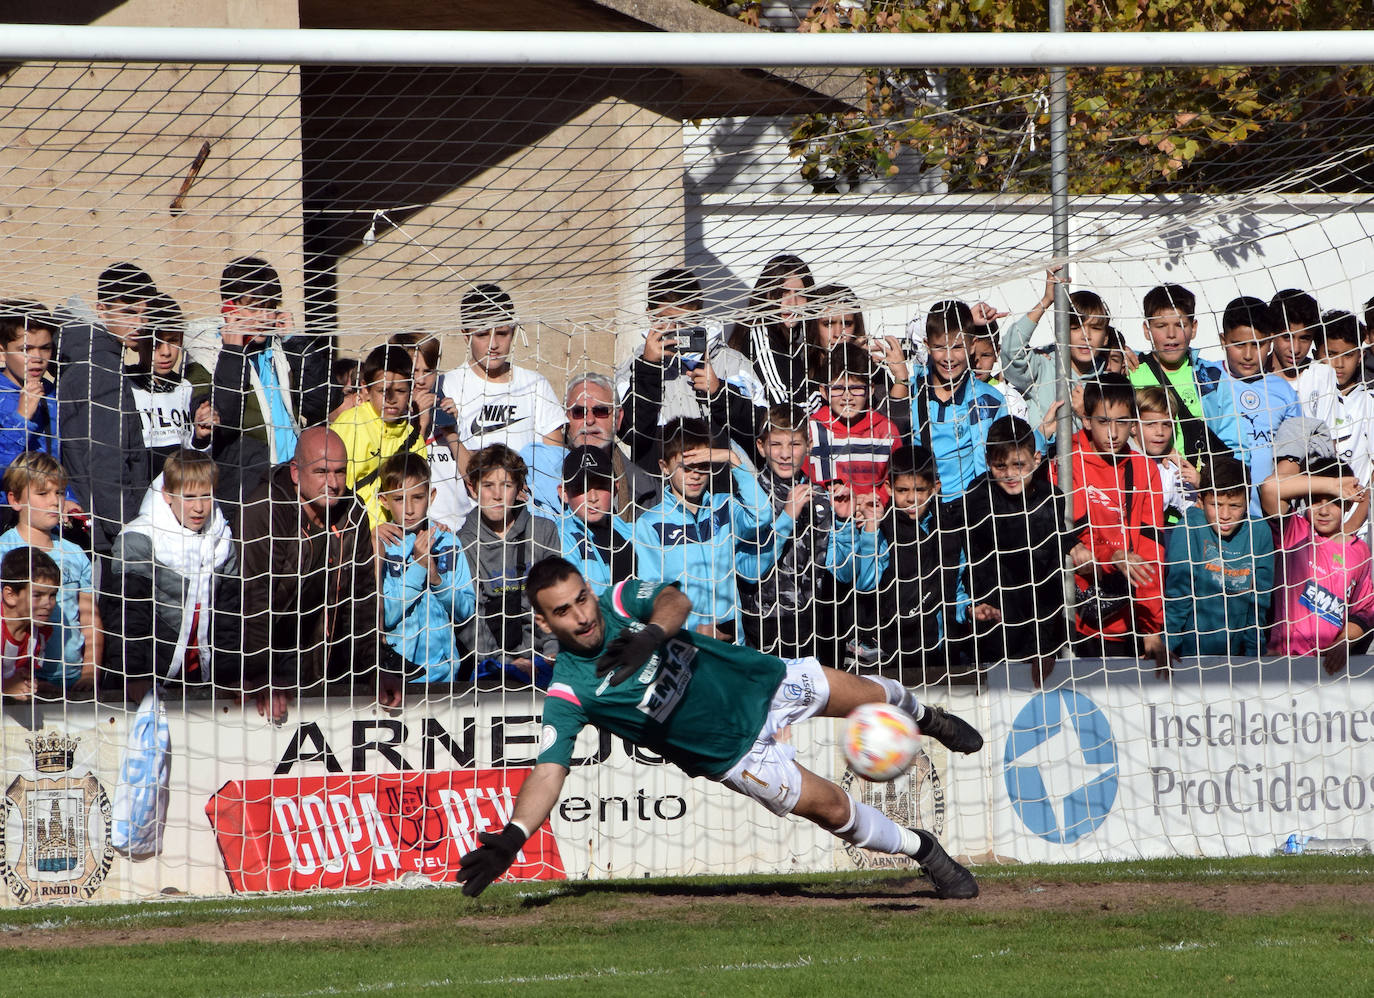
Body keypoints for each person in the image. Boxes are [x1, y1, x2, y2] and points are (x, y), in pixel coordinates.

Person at [454, 557, 984, 900]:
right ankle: (926, 851)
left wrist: (650, 636)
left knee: (869, 694)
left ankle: (925, 717)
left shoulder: (618, 601)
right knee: (833, 809)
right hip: (735, 755)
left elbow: (676, 601)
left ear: (591, 592)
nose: (582, 616)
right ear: (544, 623)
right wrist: (513, 838)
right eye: (563, 612)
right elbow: (549, 771)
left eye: (582, 600)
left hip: (757, 681)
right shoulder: (569, 693)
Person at [238, 426, 400, 723]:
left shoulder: (353, 513)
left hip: (327, 663)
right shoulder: (265, 510)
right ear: (296, 472)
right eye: (322, 472)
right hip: (265, 658)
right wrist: (260, 671)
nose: (334, 483)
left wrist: (375, 668)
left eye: (340, 472)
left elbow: (362, 598)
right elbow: (253, 598)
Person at [186, 256, 332, 515]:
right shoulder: (207, 352)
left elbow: (320, 404)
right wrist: (232, 350)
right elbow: (223, 418)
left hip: (294, 481)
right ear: (229, 308)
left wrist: (296, 342)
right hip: (249, 490)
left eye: (270, 306)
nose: (265, 316)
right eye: (254, 308)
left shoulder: (280, 347)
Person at [102, 448, 240, 699]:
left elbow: (229, 615)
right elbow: (128, 615)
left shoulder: (223, 538)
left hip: (203, 680)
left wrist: (229, 677)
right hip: (150, 677)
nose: (199, 507)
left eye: (206, 496)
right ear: (167, 495)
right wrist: (134, 675)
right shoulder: (139, 539)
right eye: (188, 497)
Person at [1053, 375, 1168, 673]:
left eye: (1122, 422)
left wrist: (1152, 627)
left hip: (1126, 616)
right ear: (1087, 420)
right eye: (1104, 422)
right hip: (1072, 616)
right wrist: (1112, 556)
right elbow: (1073, 538)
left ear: (1133, 423)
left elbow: (1150, 551)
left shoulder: (1145, 470)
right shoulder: (1068, 462)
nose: (1114, 433)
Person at [947, 417, 1072, 688]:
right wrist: (1067, 541)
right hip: (989, 626)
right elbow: (1010, 535)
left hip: (1037, 630)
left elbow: (1051, 577)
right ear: (988, 460)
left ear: (1037, 459)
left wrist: (1047, 642)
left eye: (1019, 465)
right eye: (1000, 466)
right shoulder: (978, 496)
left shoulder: (1052, 499)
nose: (1010, 474)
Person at [633, 417, 773, 641]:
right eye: (687, 467)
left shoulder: (723, 507)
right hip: (685, 643)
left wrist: (731, 459)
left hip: (731, 639)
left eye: (703, 465)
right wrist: (689, 630)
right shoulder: (651, 524)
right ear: (664, 467)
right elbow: (653, 593)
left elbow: (762, 515)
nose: (696, 474)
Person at [56, 261, 157, 560]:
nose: (140, 323)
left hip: (96, 523)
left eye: (145, 313)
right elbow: (105, 459)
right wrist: (128, 527)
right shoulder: (100, 365)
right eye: (129, 312)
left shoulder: (96, 357)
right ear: (102, 310)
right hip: (106, 532)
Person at [618, 267, 767, 466]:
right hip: (661, 491)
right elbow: (630, 434)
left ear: (699, 315)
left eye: (686, 321)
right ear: (650, 316)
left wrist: (719, 393)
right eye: (668, 321)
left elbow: (763, 432)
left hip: (725, 490)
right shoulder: (630, 370)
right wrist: (649, 368)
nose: (678, 331)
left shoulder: (733, 363)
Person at [857, 445, 968, 684]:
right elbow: (866, 583)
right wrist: (870, 530)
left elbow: (957, 583)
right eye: (903, 490)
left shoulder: (950, 527)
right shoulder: (883, 528)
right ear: (889, 488)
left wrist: (967, 610)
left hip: (945, 648)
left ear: (935, 488)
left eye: (920, 490)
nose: (911, 498)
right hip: (896, 650)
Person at [457, 444, 561, 687]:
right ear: (473, 489)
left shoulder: (543, 532)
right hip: (490, 664)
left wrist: (552, 652)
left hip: (544, 659)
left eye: (506, 485)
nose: (497, 495)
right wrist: (504, 661)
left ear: (519, 489)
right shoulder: (463, 541)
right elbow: (469, 615)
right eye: (488, 485)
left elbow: (555, 598)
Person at [1260, 455, 1374, 674]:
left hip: (1326, 668)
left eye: (1333, 502)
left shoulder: (1360, 551)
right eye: (1317, 500)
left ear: (1348, 503)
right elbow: (1269, 488)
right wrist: (1333, 486)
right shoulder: (1294, 530)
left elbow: (1364, 610)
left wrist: (1343, 642)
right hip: (1281, 661)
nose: (1323, 510)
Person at [0, 453, 99, 692]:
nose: (55, 501)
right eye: (43, 494)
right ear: (14, 499)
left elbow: (90, 620)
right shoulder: (4, 550)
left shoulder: (75, 552)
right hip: (18, 680)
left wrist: (89, 673)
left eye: (60, 493)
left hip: (72, 678)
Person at [376, 452, 476, 684]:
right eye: (399, 499)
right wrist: (419, 568)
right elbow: (386, 615)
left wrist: (436, 579)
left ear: (431, 496)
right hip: (397, 677)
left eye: (417, 497)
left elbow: (466, 612)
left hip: (444, 676)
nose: (409, 509)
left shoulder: (447, 541)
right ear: (384, 500)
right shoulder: (379, 546)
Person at [1163, 456, 1274, 660]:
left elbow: (1259, 604)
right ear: (1202, 500)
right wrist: (1167, 645)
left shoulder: (1259, 531)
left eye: (1234, 506)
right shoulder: (1189, 526)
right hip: (1188, 655)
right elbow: (1178, 595)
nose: (1224, 514)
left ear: (1248, 502)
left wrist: (1253, 655)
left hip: (1236, 657)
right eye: (1216, 504)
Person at [438, 283, 565, 455]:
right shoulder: (447, 385)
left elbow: (555, 458)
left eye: (501, 333)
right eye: (482, 334)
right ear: (466, 336)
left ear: (512, 332)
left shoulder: (535, 384)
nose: (493, 345)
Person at [912, 300, 1017, 498]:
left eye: (958, 347)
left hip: (973, 507)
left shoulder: (990, 399)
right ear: (927, 346)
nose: (949, 357)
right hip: (922, 508)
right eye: (940, 347)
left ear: (972, 346)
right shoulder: (913, 392)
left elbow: (1009, 453)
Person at [520, 372, 660, 521]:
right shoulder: (533, 475)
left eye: (601, 411)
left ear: (618, 418)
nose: (590, 420)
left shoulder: (647, 490)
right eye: (579, 412)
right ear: (565, 419)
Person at [1127, 283, 1240, 466]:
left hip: (1201, 486)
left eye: (1180, 325)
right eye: (1161, 325)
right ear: (1147, 330)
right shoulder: (1131, 371)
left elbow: (1234, 443)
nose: (1171, 334)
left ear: (1193, 328)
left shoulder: (1211, 378)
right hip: (1146, 481)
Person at [1215, 296, 1299, 516]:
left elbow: (1296, 452)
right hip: (1215, 512)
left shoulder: (1284, 392)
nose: (1248, 355)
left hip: (1264, 516)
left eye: (1258, 344)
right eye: (1239, 344)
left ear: (1270, 341)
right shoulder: (1206, 379)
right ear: (1223, 340)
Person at [999, 266, 1107, 434]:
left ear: (1106, 337)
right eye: (1076, 327)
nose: (1086, 336)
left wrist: (1084, 414)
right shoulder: (1044, 366)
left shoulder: (1109, 379)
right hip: (1042, 458)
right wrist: (1046, 301)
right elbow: (1010, 350)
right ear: (1062, 331)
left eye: (1095, 328)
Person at [331, 343, 427, 527]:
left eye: (400, 391)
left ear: (411, 391)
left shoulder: (415, 440)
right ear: (366, 390)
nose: (391, 399)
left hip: (397, 536)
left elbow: (418, 497)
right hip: (352, 533)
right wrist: (368, 532)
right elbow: (337, 492)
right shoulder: (351, 426)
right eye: (383, 391)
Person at [128, 299, 220, 487]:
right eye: (156, 344)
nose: (166, 352)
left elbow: (193, 454)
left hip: (181, 495)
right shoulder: (126, 386)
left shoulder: (186, 388)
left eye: (172, 341)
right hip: (140, 494)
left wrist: (200, 438)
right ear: (137, 342)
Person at [388, 331, 473, 530]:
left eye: (428, 371)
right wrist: (421, 423)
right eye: (414, 372)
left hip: (462, 526)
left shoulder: (449, 412)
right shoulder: (391, 421)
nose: (421, 380)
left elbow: (474, 479)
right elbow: (399, 473)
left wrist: (451, 432)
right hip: (419, 527)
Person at [806, 343, 904, 495]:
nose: (847, 397)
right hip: (824, 516)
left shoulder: (886, 432)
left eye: (856, 388)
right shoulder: (811, 430)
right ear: (823, 392)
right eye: (838, 388)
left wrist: (874, 504)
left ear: (870, 389)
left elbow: (894, 484)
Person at [727, 253, 816, 406]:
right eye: (783, 292)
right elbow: (781, 405)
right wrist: (819, 399)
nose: (792, 303)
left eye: (801, 294)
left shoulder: (791, 340)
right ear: (767, 294)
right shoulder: (759, 334)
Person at [553, 445, 637, 596]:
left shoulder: (630, 531)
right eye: (582, 488)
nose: (593, 498)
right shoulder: (560, 537)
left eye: (600, 486)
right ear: (563, 493)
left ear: (615, 488)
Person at [1312, 310, 1374, 487]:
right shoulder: (1302, 397)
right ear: (1317, 355)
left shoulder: (1368, 404)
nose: (1339, 364)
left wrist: (1357, 515)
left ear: (1360, 357)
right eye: (1331, 354)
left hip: (1356, 510)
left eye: (1348, 355)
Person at [0, 300, 63, 474]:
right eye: (26, 349)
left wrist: (68, 497)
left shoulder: (52, 392)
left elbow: (61, 462)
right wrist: (21, 418)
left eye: (45, 348)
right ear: (2, 352)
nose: (37, 357)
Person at [0, 547, 60, 702]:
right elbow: (7, 685)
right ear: (10, 595)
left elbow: (17, 674)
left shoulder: (40, 632)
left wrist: (28, 683)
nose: (48, 604)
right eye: (37, 595)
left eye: (53, 595)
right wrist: (5, 687)